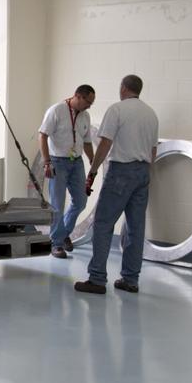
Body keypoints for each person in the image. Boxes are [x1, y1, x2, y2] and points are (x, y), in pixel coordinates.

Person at [75, 74, 159, 295]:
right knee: (135, 227)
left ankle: (97, 279)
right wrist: (144, 175)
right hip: (143, 172)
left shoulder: (117, 110)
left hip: (121, 171)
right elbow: (153, 150)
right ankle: (130, 279)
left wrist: (93, 170)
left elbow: (105, 143)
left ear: (123, 88)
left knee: (103, 223)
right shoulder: (151, 114)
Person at [38, 85, 96, 258]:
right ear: (77, 96)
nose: (89, 106)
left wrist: (93, 160)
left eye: (91, 103)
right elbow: (42, 135)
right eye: (88, 102)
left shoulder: (85, 116)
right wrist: (47, 162)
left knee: (80, 201)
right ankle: (56, 243)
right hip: (57, 162)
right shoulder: (56, 111)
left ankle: (63, 234)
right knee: (57, 204)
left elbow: (87, 142)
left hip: (76, 162)